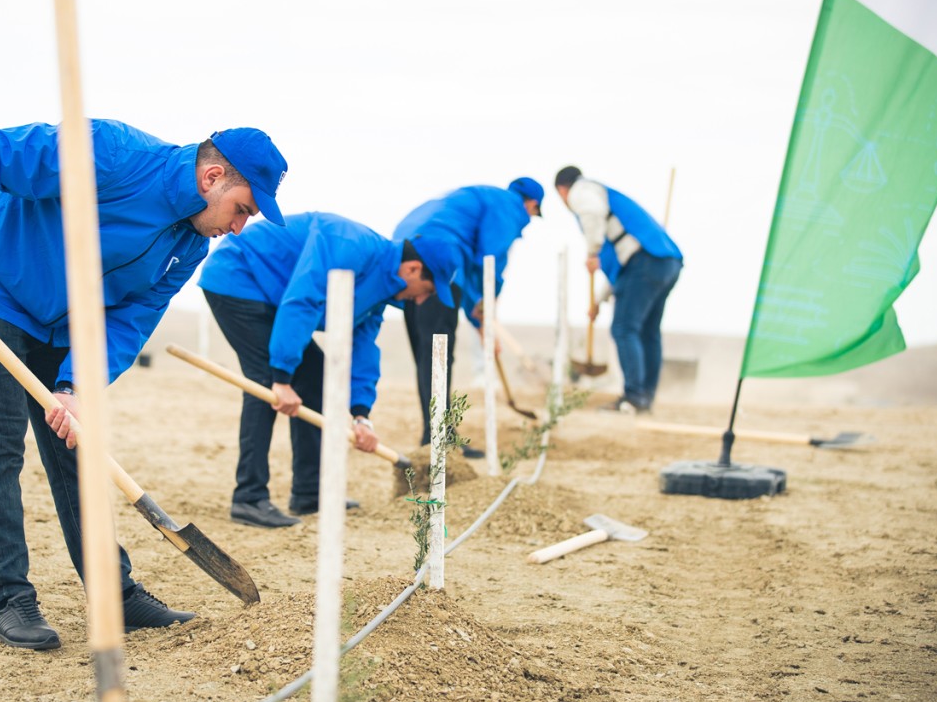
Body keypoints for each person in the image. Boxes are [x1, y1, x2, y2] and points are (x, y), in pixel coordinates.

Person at [0, 119, 288, 650]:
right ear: (213, 176)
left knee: (76, 447)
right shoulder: (109, 154)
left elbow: (127, 322)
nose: (240, 226)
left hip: (64, 326)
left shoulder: (190, 247)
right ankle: (12, 599)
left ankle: (116, 591)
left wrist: (76, 388)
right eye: (243, 209)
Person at [198, 212, 459, 529]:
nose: (421, 301)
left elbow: (363, 347)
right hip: (239, 278)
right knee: (265, 383)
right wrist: (282, 378)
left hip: (275, 297)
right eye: (427, 290)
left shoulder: (382, 291)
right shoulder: (351, 246)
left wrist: (361, 415)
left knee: (316, 380)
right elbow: (302, 300)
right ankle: (249, 498)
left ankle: (308, 493)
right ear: (414, 269)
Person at [392, 178, 544, 457]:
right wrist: (487, 308)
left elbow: (474, 270)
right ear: (532, 205)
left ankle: (435, 434)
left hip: (402, 253)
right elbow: (489, 263)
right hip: (439, 256)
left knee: (426, 355)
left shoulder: (479, 196)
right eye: (533, 214)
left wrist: (480, 323)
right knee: (437, 354)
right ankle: (439, 437)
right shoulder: (509, 207)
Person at [553, 165, 682, 414]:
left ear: (562, 190)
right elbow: (622, 274)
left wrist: (592, 251)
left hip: (644, 262)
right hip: (666, 262)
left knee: (624, 328)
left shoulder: (583, 191)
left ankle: (634, 398)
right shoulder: (605, 197)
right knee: (647, 332)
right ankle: (645, 397)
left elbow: (592, 213)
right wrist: (599, 302)